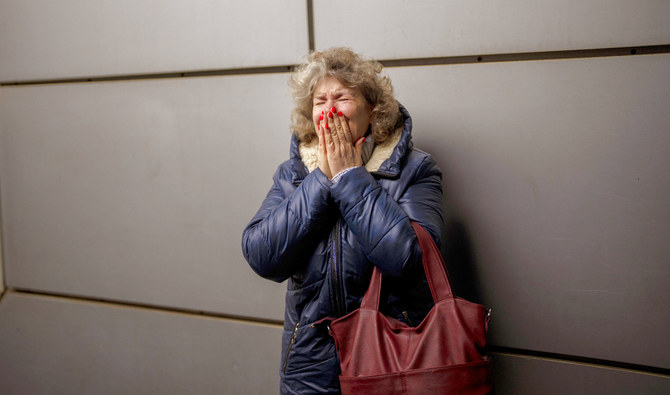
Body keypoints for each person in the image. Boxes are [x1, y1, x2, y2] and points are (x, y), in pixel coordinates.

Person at [241, 47, 444, 394]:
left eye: (342, 98)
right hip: (309, 370)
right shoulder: (293, 175)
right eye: (320, 101)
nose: (330, 110)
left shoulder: (415, 170)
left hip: (392, 362)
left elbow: (410, 261)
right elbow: (261, 255)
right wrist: (321, 178)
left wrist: (350, 176)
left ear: (372, 108)